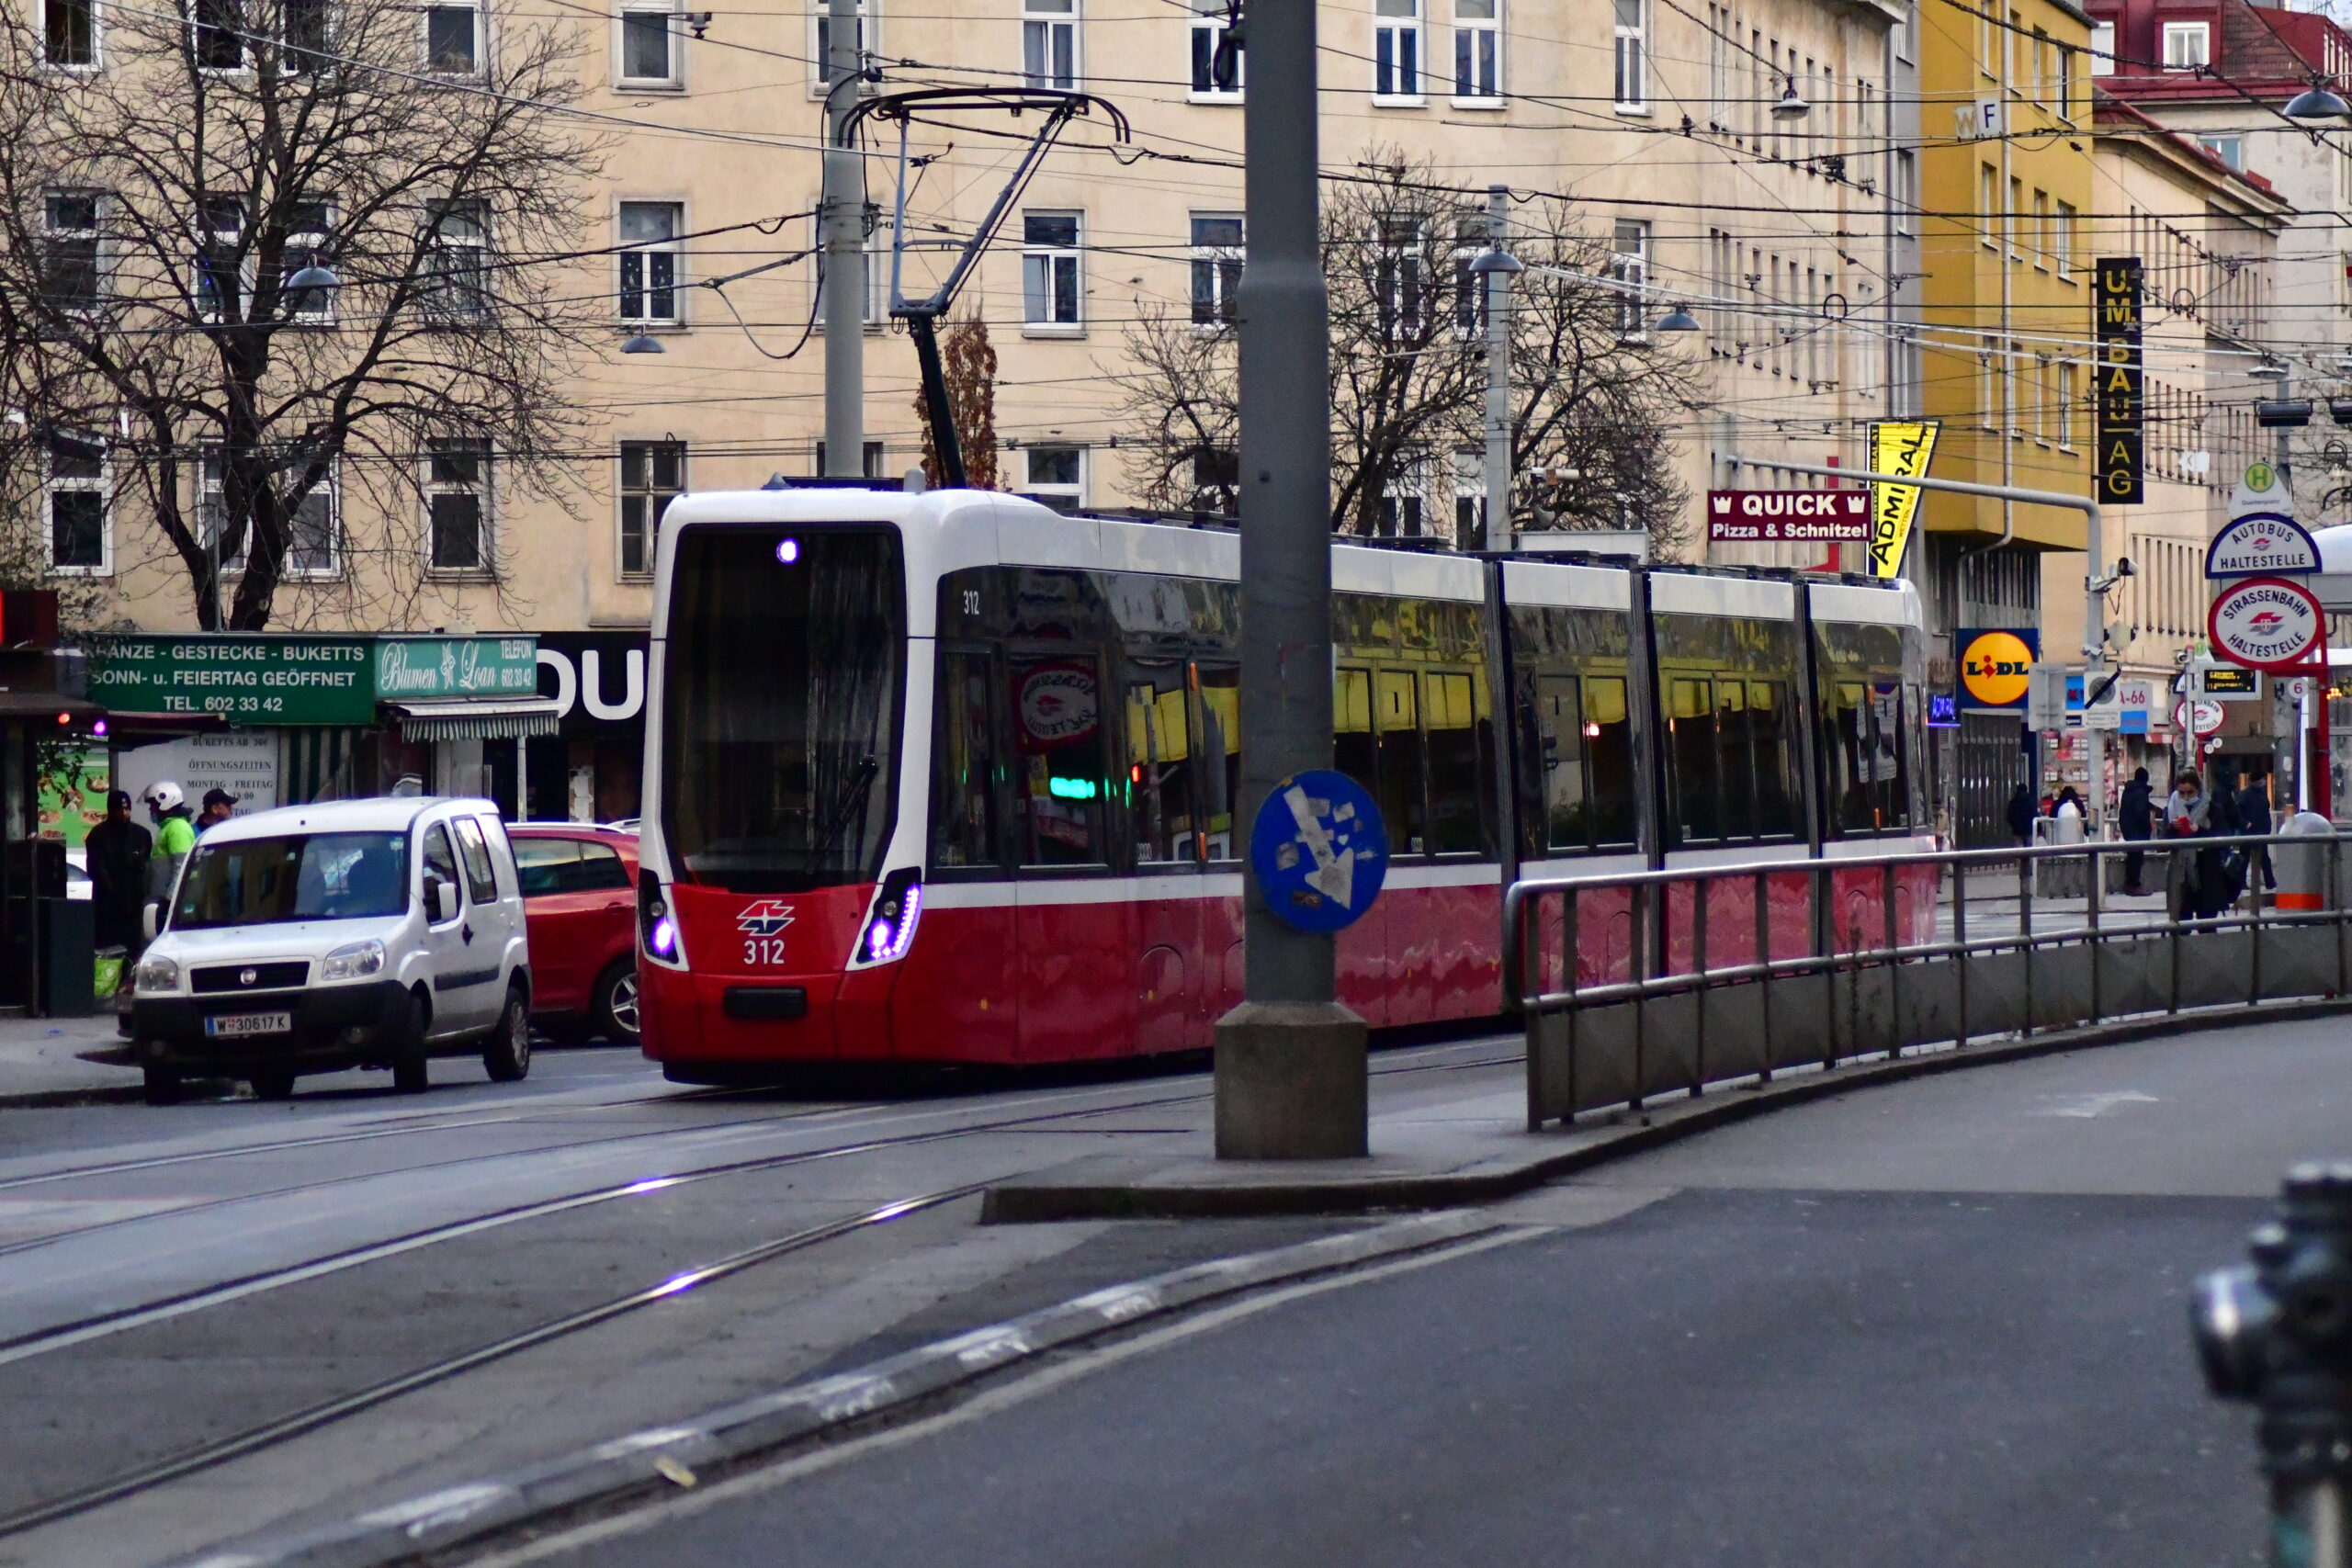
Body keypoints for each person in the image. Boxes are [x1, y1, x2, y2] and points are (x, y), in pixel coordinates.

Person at [84, 790, 151, 955]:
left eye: (127, 809)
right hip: (107, 905)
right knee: (107, 949)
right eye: (119, 809)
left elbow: (146, 866)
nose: (123, 813)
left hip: (134, 904)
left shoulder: (141, 834)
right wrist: (112, 892)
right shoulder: (98, 835)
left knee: (133, 948)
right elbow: (96, 868)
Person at [142, 781, 197, 907]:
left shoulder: (177, 828)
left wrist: (170, 901)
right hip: (161, 899)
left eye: (153, 805)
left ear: (165, 802)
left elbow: (181, 867)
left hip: (168, 903)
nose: (151, 810)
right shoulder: (169, 827)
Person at [2237, 771, 2276, 894]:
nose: (2263, 782)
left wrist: (2267, 827)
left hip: (2260, 831)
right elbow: (2237, 812)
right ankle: (2242, 883)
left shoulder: (2261, 795)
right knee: (2245, 858)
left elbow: (2266, 812)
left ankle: (2270, 882)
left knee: (2264, 859)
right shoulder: (2245, 795)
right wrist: (2245, 824)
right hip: (2250, 832)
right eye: (2261, 780)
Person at [2119, 767, 2154, 897]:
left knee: (2132, 856)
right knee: (2137, 858)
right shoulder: (2140, 793)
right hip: (2137, 830)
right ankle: (2134, 884)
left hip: (2127, 827)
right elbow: (2140, 812)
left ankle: (2130, 884)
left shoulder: (2128, 791)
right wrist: (2147, 827)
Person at [2007, 782, 2036, 848]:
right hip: (2029, 829)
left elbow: (2009, 816)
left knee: (2019, 846)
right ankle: (2029, 858)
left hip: (2017, 829)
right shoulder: (2031, 801)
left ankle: (2020, 858)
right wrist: (2039, 829)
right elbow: (2034, 814)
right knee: (2030, 846)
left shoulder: (2013, 802)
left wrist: (2014, 825)